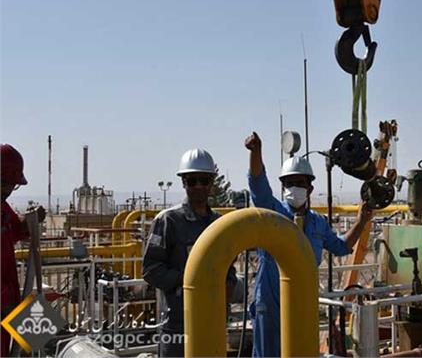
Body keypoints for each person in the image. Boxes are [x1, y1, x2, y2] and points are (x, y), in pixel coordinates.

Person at [244, 132, 373, 357]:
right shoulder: (272, 212)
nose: (294, 187)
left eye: (300, 183)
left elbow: (341, 246)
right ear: (283, 187)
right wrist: (256, 152)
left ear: (310, 188)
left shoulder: (318, 223)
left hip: (302, 301)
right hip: (270, 301)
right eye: (290, 183)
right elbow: (257, 184)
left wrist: (361, 221)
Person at [142, 148, 240, 357]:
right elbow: (151, 270)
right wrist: (189, 279)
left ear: (211, 183)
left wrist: (229, 283)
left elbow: (229, 266)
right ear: (183, 182)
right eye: (192, 181)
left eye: (204, 180)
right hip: (178, 325)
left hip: (213, 320)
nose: (198, 186)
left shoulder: (219, 224)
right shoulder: (168, 221)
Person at [1, 144, 45, 357]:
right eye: (4, 184)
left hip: (8, 300)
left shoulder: (2, 207)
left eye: (12, 186)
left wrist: (29, 221)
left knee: (35, 341)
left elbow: (12, 229)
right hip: (5, 302)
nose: (8, 191)